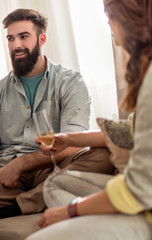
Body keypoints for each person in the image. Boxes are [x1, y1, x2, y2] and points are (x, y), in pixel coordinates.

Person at [0, 8, 115, 221]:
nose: (16, 45)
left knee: (104, 154)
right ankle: (44, 197)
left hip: (52, 167)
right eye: (11, 38)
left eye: (24, 37)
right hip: (4, 172)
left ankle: (17, 206)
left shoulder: (71, 82)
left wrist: (22, 163)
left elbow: (73, 142)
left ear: (41, 39)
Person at [26, 0, 152, 239]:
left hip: (144, 202)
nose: (108, 23)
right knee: (57, 182)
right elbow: (133, 131)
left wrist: (70, 211)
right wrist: (68, 138)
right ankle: (104, 212)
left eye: (110, 14)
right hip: (141, 194)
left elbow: (141, 188)